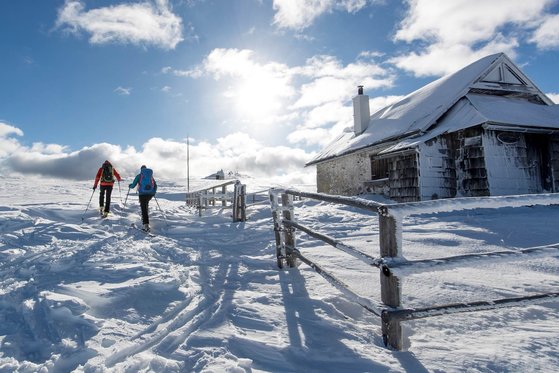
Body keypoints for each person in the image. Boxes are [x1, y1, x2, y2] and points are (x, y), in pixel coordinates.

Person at [129, 165, 157, 232]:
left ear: (141, 170)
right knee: (145, 205)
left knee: (143, 207)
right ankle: (145, 219)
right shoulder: (150, 176)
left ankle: (145, 225)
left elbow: (133, 185)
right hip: (150, 194)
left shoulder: (139, 176)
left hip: (142, 194)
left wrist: (130, 186)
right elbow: (155, 185)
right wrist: (153, 192)